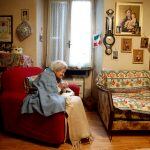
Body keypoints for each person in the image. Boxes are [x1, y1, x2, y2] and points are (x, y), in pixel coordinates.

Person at [21, 60, 92, 148]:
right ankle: (76, 134)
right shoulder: (47, 75)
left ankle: (80, 132)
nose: (63, 74)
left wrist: (63, 86)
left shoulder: (54, 75)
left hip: (53, 94)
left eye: (64, 72)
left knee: (76, 100)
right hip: (43, 95)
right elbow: (47, 91)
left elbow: (54, 89)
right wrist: (60, 87)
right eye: (62, 72)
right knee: (73, 101)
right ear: (56, 69)